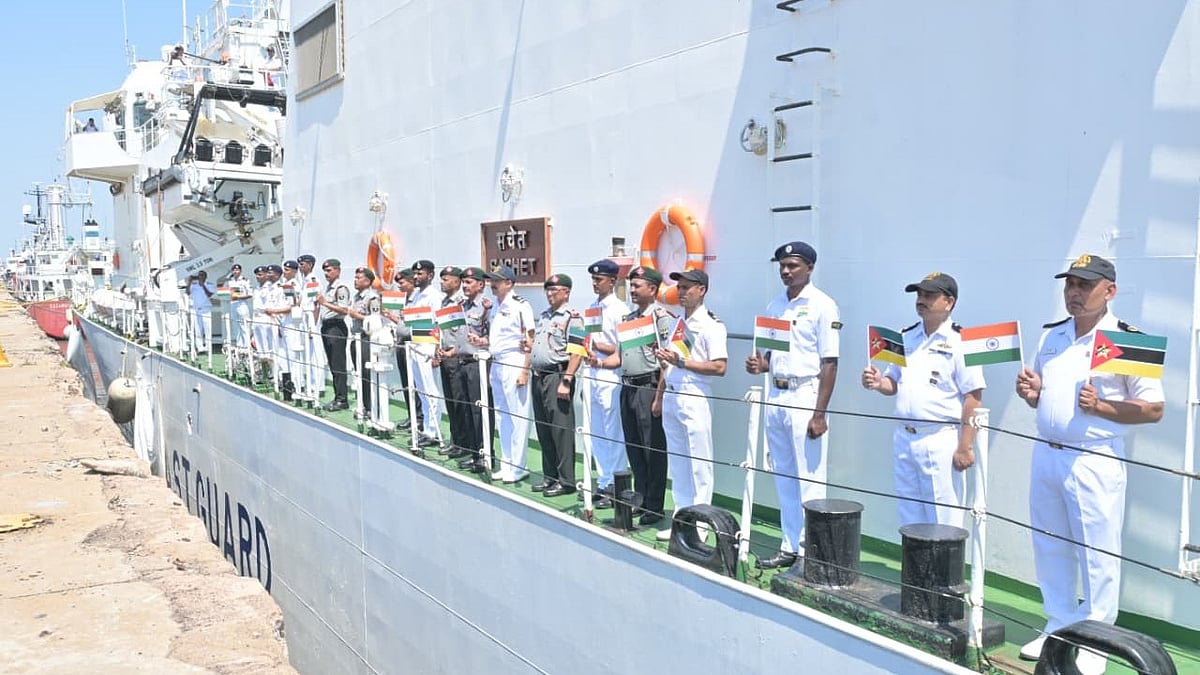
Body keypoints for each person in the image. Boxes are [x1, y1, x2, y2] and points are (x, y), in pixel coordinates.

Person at [1014, 254, 1163, 672]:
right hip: (1047, 453)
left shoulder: (1127, 340)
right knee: (1050, 544)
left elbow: (1153, 409)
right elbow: (1043, 395)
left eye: (1085, 285)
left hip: (1093, 459)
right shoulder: (1053, 335)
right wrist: (1033, 393)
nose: (1074, 293)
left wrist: (1102, 407)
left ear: (1109, 291)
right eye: (1070, 284)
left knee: (1097, 553)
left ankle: (1097, 640)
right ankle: (1059, 626)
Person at [862, 272, 984, 529]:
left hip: (940, 439)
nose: (921, 300)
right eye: (919, 294)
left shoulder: (963, 342)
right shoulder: (905, 336)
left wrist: (965, 446)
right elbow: (892, 383)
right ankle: (915, 558)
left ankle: (942, 559)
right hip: (904, 438)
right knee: (909, 515)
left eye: (929, 295)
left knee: (943, 519)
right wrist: (878, 382)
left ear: (949, 302)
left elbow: (973, 398)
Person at [745, 242, 840, 568]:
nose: (786, 271)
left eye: (793, 265)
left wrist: (820, 413)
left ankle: (810, 552)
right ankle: (789, 545)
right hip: (776, 394)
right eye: (782, 266)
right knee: (783, 475)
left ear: (809, 267)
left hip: (805, 395)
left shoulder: (822, 306)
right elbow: (771, 356)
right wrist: (760, 366)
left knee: (809, 479)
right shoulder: (775, 306)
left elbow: (830, 362)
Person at [596, 266, 675, 525]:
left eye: (637, 286)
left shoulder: (661, 318)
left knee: (653, 449)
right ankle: (640, 499)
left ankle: (655, 505)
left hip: (648, 387)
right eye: (631, 285)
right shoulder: (629, 318)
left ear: (652, 289)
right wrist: (598, 363)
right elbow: (620, 357)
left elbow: (666, 362)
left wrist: (659, 397)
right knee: (635, 447)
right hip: (627, 387)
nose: (632, 290)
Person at [653, 269, 727, 540]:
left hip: (694, 395)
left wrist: (681, 362)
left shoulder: (712, 325)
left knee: (699, 462)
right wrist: (660, 391)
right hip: (673, 394)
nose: (681, 292)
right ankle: (682, 521)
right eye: (679, 287)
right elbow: (670, 363)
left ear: (701, 290)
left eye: (686, 287)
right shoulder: (678, 323)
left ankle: (701, 526)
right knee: (678, 462)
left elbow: (719, 367)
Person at [529, 274, 584, 497]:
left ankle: (566, 480)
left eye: (554, 290)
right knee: (543, 428)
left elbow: (577, 352)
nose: (550, 294)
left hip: (558, 377)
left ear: (566, 292)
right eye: (548, 290)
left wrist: (567, 380)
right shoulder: (544, 316)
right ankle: (550, 476)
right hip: (538, 377)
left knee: (561, 430)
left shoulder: (573, 318)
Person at [579, 259, 628, 507]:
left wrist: (596, 346)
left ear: (612, 281)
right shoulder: (592, 308)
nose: (595, 284)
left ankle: (616, 486)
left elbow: (622, 348)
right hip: (593, 372)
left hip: (610, 374)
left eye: (599, 280)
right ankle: (603, 480)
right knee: (596, 430)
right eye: (593, 279)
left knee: (613, 432)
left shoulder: (620, 310)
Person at [481, 265, 535, 484]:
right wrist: (482, 341)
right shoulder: (495, 304)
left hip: (514, 361)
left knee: (517, 416)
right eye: (492, 280)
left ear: (509, 283)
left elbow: (530, 338)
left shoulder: (520, 305)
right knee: (502, 415)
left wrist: (525, 370)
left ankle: (519, 466)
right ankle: (507, 463)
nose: (492, 284)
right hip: (497, 362)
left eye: (497, 280)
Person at [454, 267, 494, 473]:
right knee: (467, 410)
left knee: (480, 411)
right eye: (463, 282)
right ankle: (473, 453)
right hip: (462, 362)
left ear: (481, 284)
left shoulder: (487, 308)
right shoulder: (461, 306)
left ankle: (485, 454)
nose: (465, 286)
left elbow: (492, 336)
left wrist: (481, 340)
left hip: (478, 364)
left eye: (469, 282)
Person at [409, 260, 446, 447]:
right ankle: (426, 429)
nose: (416, 277)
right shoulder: (416, 295)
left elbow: (439, 324)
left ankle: (434, 432)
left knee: (431, 391)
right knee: (422, 391)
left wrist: (436, 350)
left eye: (420, 273)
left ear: (430, 276)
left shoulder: (434, 297)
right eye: (415, 273)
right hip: (416, 345)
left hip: (428, 347)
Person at [435, 266, 469, 457]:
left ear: (457, 282)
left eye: (446, 279)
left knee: (459, 402)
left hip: (457, 357)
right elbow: (441, 330)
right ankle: (455, 439)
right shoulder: (444, 302)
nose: (442, 282)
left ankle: (463, 443)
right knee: (450, 400)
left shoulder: (461, 303)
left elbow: (463, 333)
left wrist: (452, 352)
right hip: (445, 356)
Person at [385, 268, 423, 431]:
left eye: (402, 283)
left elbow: (415, 326)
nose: (399, 286)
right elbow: (403, 324)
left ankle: (419, 418)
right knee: (406, 382)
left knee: (415, 384)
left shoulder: (417, 300)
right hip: (402, 344)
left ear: (411, 282)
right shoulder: (405, 301)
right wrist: (390, 316)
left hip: (412, 345)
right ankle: (411, 415)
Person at [315, 259, 353, 411]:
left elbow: (344, 310)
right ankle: (338, 397)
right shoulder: (329, 288)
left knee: (338, 364)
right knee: (332, 364)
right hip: (327, 327)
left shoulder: (340, 288)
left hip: (336, 327)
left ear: (338, 271)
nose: (326, 273)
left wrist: (324, 303)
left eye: (329, 270)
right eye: (325, 271)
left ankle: (342, 399)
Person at [346, 267, 380, 417]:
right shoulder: (356, 297)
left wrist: (357, 316)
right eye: (355, 277)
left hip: (367, 339)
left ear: (367, 281)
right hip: (356, 338)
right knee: (358, 373)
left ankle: (371, 407)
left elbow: (376, 320)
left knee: (367, 374)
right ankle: (364, 405)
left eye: (359, 278)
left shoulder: (372, 298)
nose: (355, 280)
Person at [187, 270, 216, 354]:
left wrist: (203, 285)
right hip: (197, 310)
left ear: (205, 277)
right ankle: (200, 348)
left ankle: (208, 348)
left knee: (208, 330)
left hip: (206, 310)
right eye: (199, 275)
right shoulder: (194, 286)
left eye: (202, 275)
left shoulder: (210, 285)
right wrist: (189, 282)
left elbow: (209, 294)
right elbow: (187, 292)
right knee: (198, 330)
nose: (200, 277)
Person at [227, 263, 252, 350]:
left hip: (242, 304)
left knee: (244, 325)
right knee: (235, 325)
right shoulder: (230, 281)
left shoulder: (245, 281)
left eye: (237, 270)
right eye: (234, 270)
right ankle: (239, 345)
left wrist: (238, 297)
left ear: (240, 271)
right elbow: (226, 293)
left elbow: (250, 294)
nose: (235, 271)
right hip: (233, 304)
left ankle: (247, 346)